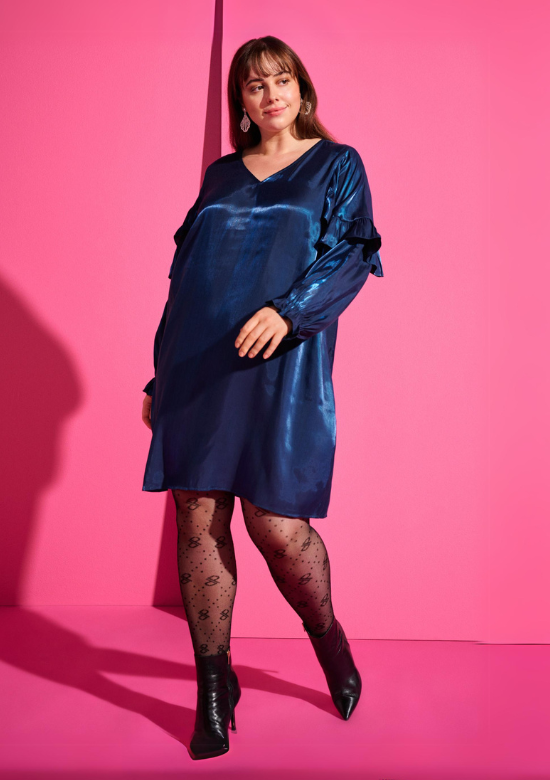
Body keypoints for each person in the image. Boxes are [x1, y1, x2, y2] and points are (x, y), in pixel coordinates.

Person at [141, 36, 383, 760]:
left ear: (301, 90)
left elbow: (351, 254)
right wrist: (158, 375)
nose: (270, 94)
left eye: (281, 80)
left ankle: (328, 638)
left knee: (275, 524)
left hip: (281, 362)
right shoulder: (220, 174)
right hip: (198, 366)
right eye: (254, 85)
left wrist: (289, 312)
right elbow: (184, 277)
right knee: (199, 518)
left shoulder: (337, 164)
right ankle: (214, 691)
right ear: (241, 103)